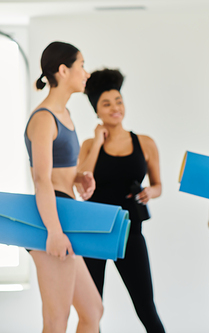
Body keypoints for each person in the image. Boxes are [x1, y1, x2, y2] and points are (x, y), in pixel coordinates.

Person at [77, 68, 165, 333]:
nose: (115, 107)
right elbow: (83, 184)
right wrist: (96, 143)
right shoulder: (88, 145)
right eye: (107, 103)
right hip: (92, 232)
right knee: (92, 309)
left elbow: (159, 185)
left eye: (118, 101)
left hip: (129, 231)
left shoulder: (145, 143)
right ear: (97, 111)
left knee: (145, 306)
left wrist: (152, 191)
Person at [24, 41, 103, 333]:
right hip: (50, 220)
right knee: (56, 320)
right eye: (81, 65)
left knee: (93, 311)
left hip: (64, 212)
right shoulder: (44, 118)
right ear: (63, 70)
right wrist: (54, 232)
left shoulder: (64, 115)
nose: (86, 72)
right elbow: (42, 180)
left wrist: (80, 177)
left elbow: (59, 171)